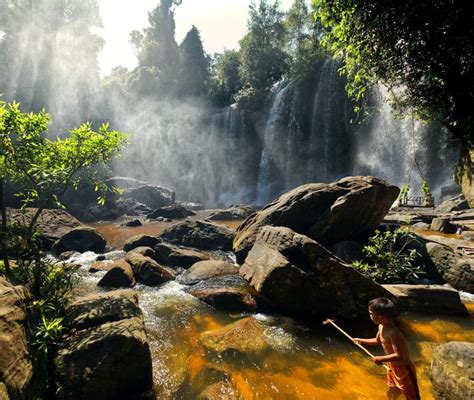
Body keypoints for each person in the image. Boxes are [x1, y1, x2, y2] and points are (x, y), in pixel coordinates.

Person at [353, 297, 421, 400]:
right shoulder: (381, 326)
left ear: (381, 318)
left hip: (404, 371)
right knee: (392, 391)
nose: (370, 316)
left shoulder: (393, 333)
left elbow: (398, 355)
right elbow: (378, 341)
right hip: (392, 367)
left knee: (412, 396)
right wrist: (361, 341)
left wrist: (381, 358)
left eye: (371, 314)